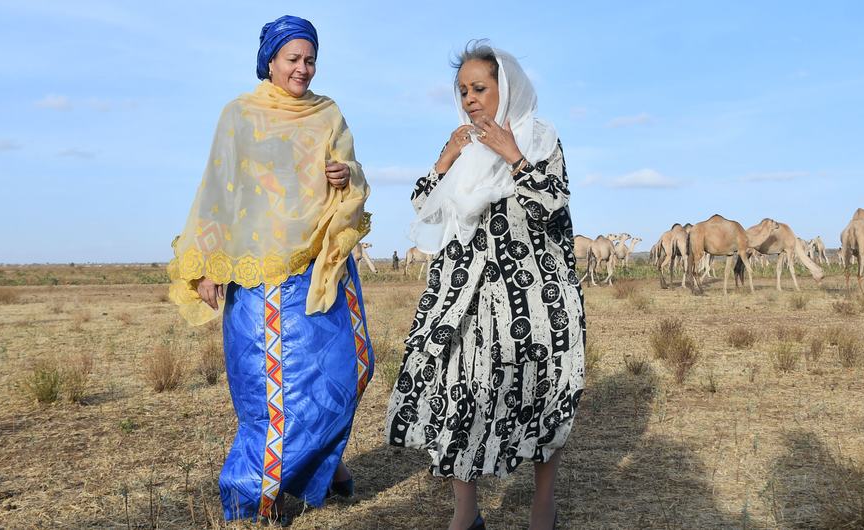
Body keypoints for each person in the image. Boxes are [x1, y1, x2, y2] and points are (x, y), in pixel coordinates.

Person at [166, 15, 374, 525]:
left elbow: (354, 173)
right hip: (259, 275)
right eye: (293, 59)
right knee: (271, 393)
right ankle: (251, 497)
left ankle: (320, 466)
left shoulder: (327, 113)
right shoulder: (240, 115)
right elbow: (218, 192)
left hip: (320, 265)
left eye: (310, 60)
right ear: (271, 61)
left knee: (345, 375)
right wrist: (210, 264)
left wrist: (347, 174)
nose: (303, 69)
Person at [386, 41, 585, 530]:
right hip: (465, 299)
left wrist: (513, 155)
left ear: (506, 87)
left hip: (535, 300)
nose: (470, 99)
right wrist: (445, 158)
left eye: (479, 88)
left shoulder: (538, 138)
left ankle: (543, 505)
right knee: (460, 394)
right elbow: (423, 205)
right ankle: (465, 512)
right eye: (463, 92)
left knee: (540, 393)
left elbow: (551, 204)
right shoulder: (463, 146)